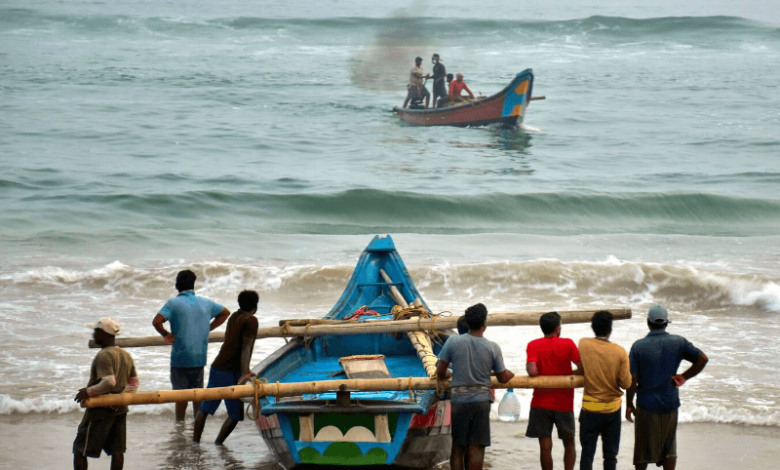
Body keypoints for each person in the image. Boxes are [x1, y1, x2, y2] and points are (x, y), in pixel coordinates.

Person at [625, 305, 708, 470]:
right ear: (666, 323)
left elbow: (632, 379)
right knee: (669, 448)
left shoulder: (638, 346)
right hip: (670, 402)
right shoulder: (679, 342)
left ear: (648, 323)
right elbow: (702, 359)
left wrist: (629, 404)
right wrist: (684, 376)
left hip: (646, 404)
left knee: (642, 450)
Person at [436, 303, 515, 470]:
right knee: (476, 447)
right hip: (481, 401)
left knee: (458, 446)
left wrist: (450, 375)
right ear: (484, 325)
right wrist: (509, 374)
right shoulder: (493, 347)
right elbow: (502, 378)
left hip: (459, 400)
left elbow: (440, 371)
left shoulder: (453, 341)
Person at [153, 269, 230, 421]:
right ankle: (197, 426)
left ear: (177, 285)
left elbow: (157, 321)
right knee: (197, 395)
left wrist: (166, 334)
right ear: (193, 285)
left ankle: (180, 426)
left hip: (180, 357)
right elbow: (225, 312)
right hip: (199, 357)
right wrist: (208, 328)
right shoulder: (206, 303)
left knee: (180, 397)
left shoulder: (173, 303)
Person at [194, 290, 260, 444]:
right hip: (231, 371)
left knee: (204, 409)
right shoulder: (251, 320)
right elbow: (246, 347)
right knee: (235, 414)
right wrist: (245, 372)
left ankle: (195, 443)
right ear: (255, 305)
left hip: (218, 367)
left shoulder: (234, 316)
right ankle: (218, 443)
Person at [73, 318, 139, 470]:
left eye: (96, 331)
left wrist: (88, 392)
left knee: (80, 450)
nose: (93, 334)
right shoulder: (125, 354)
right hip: (120, 410)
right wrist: (120, 400)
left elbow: (109, 382)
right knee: (117, 451)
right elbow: (134, 383)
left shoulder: (103, 355)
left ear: (104, 334)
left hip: (99, 411)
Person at [526, 311, 582, 470]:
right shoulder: (569, 343)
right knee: (569, 443)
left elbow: (532, 371)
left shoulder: (533, 344)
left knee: (545, 446)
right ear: (558, 329)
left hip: (540, 401)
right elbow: (582, 367)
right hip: (564, 401)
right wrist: (570, 374)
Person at [578, 311, 632, 470]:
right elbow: (626, 383)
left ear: (592, 327)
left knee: (587, 454)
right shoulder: (620, 351)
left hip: (589, 409)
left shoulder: (583, 344)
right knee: (610, 456)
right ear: (610, 329)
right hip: (612, 410)